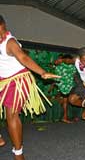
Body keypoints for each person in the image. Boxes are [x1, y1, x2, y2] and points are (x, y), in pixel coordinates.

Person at [0, 15, 59, 160]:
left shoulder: (10, 42)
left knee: (11, 116)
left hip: (17, 81)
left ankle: (19, 154)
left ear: (2, 25)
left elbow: (23, 58)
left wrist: (42, 72)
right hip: (3, 80)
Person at [54, 54, 77, 123]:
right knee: (65, 102)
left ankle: (66, 117)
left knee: (69, 101)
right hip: (63, 87)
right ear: (63, 60)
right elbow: (56, 77)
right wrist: (58, 86)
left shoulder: (73, 67)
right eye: (65, 59)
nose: (67, 61)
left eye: (69, 60)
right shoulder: (59, 67)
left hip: (71, 86)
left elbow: (74, 76)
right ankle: (65, 117)